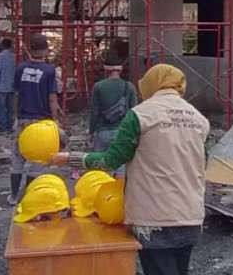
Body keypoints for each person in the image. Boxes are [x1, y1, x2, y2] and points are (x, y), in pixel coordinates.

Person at [51, 64, 210, 275]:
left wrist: (70, 158)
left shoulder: (140, 115)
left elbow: (111, 160)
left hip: (155, 217)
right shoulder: (199, 119)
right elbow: (201, 162)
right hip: (191, 212)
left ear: (151, 84)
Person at [10, 33, 61, 203]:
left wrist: (16, 115)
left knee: (18, 157)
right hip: (41, 122)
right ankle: (29, 195)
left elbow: (16, 94)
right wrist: (55, 120)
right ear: (46, 50)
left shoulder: (20, 68)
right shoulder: (49, 71)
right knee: (37, 159)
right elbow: (52, 97)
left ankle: (14, 195)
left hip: (23, 118)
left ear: (30, 49)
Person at [89, 54, 138, 153]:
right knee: (121, 166)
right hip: (123, 133)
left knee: (100, 165)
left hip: (103, 132)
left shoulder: (98, 86)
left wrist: (91, 131)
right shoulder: (129, 86)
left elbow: (94, 112)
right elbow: (135, 112)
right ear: (121, 69)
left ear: (106, 69)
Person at [0, 39, 16, 133]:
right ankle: (10, 126)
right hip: (12, 86)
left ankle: (3, 127)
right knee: (10, 107)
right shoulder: (14, 56)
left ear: (2, 45)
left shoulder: (0, 56)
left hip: (1, 86)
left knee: (1, 107)